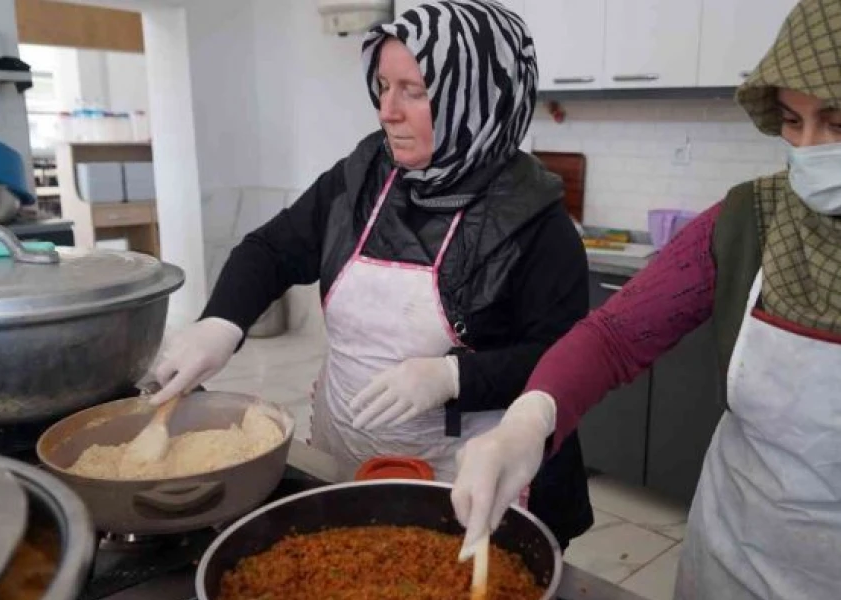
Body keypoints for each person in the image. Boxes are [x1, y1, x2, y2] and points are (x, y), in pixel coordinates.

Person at [451, 0, 841, 600]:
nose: (809, 150)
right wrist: (530, 418)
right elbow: (615, 336)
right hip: (737, 577)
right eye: (792, 120)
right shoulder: (754, 220)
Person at [149, 0, 593, 549]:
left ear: (477, 97)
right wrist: (221, 321)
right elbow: (272, 248)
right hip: (348, 456)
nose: (387, 110)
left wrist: (453, 378)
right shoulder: (362, 179)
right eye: (383, 86)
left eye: (414, 90)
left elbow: (565, 360)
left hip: (473, 477)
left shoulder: (540, 226)